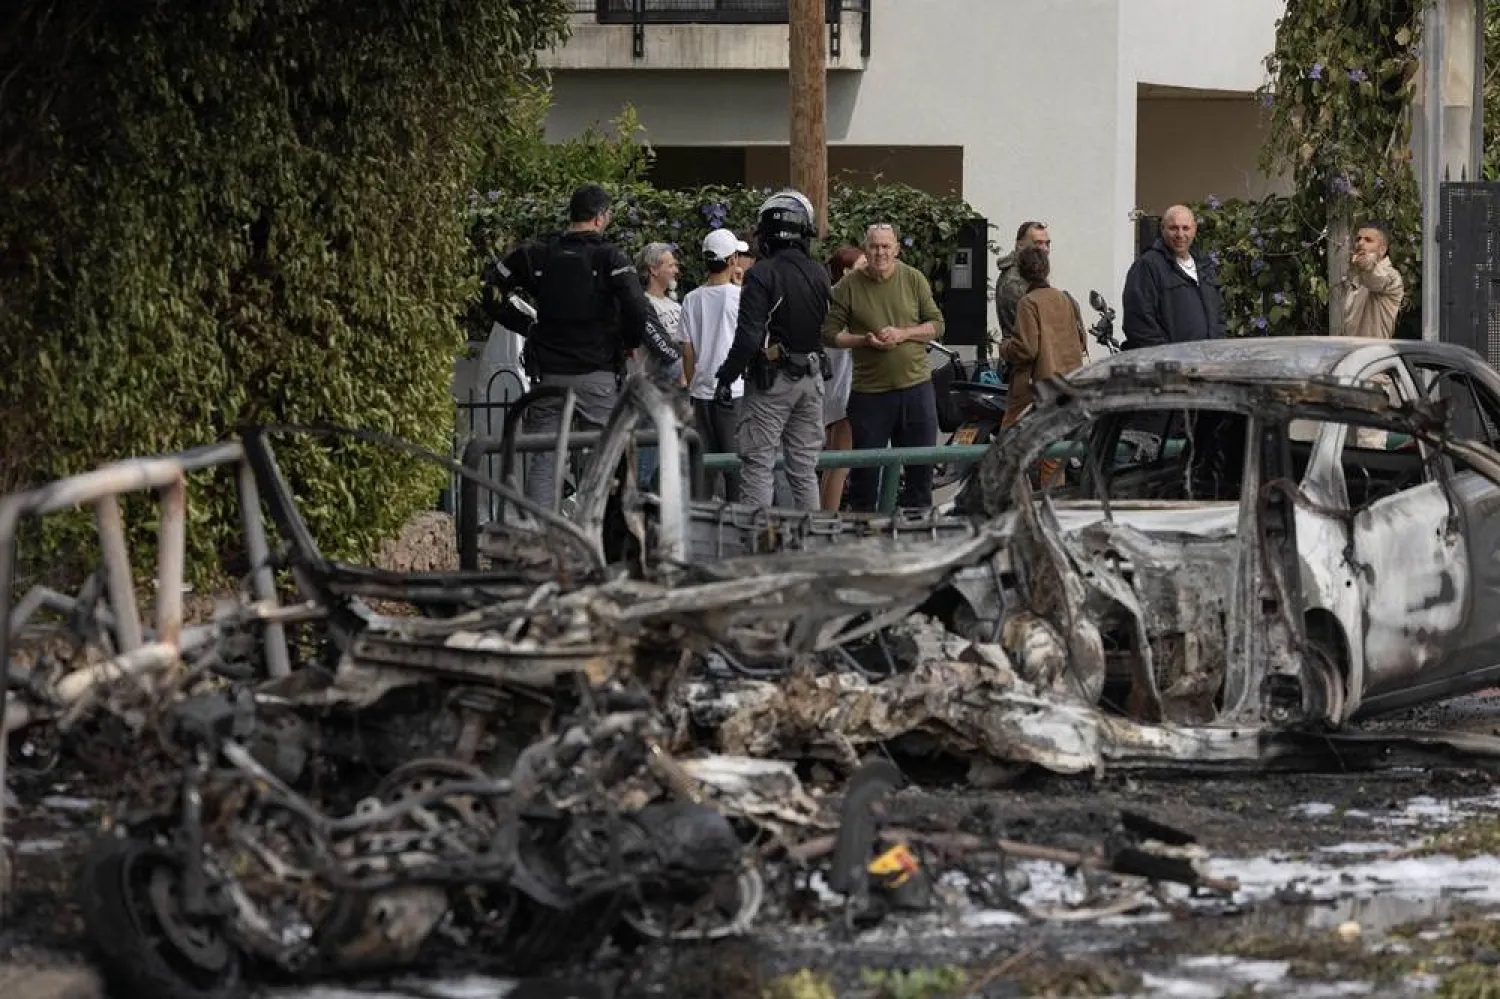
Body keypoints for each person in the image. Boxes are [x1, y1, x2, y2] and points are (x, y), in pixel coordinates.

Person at [477, 183, 662, 508]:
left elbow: (490, 290)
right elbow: (636, 305)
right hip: (599, 374)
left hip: (549, 377)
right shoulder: (610, 257)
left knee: (544, 460)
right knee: (601, 459)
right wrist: (628, 342)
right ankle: (596, 538)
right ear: (601, 218)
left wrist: (527, 326)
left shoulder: (536, 254)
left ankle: (540, 533)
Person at [715, 189, 830, 510]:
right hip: (812, 378)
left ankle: (759, 546)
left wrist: (726, 377)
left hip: (772, 382)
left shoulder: (761, 274)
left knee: (758, 466)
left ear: (766, 236)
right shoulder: (820, 273)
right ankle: (810, 544)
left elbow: (749, 338)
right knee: (804, 471)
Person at [822, 223, 946, 512]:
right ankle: (865, 538)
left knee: (920, 474)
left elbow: (937, 324)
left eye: (886, 246)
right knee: (865, 479)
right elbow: (829, 334)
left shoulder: (913, 278)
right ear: (866, 249)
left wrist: (904, 333)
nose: (880, 252)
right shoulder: (848, 286)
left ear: (897, 249)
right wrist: (862, 340)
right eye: (875, 246)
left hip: (916, 388)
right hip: (870, 394)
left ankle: (919, 539)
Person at [997, 247, 1087, 484]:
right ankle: (1052, 507)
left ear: (1022, 272)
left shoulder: (1028, 302)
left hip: (1031, 391)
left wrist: (1004, 347)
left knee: (1008, 447)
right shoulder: (1065, 298)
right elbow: (1081, 340)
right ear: (1047, 269)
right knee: (1053, 457)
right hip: (1064, 385)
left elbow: (1026, 349)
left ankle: (1013, 508)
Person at [681, 228, 750, 501]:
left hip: (700, 391)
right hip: (733, 390)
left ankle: (701, 520)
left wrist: (693, 384)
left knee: (704, 466)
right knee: (736, 465)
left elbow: (687, 352)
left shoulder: (690, 298)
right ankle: (738, 522)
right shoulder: (740, 297)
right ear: (733, 259)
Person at [1121, 205, 1225, 350]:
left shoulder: (1205, 266)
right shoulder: (1148, 266)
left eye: (1185, 228)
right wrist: (1168, 358)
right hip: (1169, 367)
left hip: (1206, 362)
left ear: (1194, 228)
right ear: (1162, 229)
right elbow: (1138, 324)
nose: (1180, 234)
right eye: (1173, 228)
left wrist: (1216, 352)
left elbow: (1219, 316)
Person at [820, 245, 866, 511]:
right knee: (841, 461)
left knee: (833, 460)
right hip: (846, 387)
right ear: (846, 271)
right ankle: (829, 518)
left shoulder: (828, 298)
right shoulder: (845, 299)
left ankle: (825, 514)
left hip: (832, 387)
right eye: (860, 266)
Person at [1343, 221, 1405, 339]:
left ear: (1382, 250)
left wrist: (1366, 265)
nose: (1360, 243)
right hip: (1354, 353)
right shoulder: (1357, 279)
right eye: (1358, 239)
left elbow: (1377, 280)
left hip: (1377, 354)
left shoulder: (1392, 277)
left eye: (1368, 240)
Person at [994, 221, 1051, 338]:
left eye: (1047, 244)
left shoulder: (1031, 273)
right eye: (1038, 243)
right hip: (1023, 353)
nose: (1045, 249)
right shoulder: (1014, 281)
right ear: (1019, 245)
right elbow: (1029, 334)